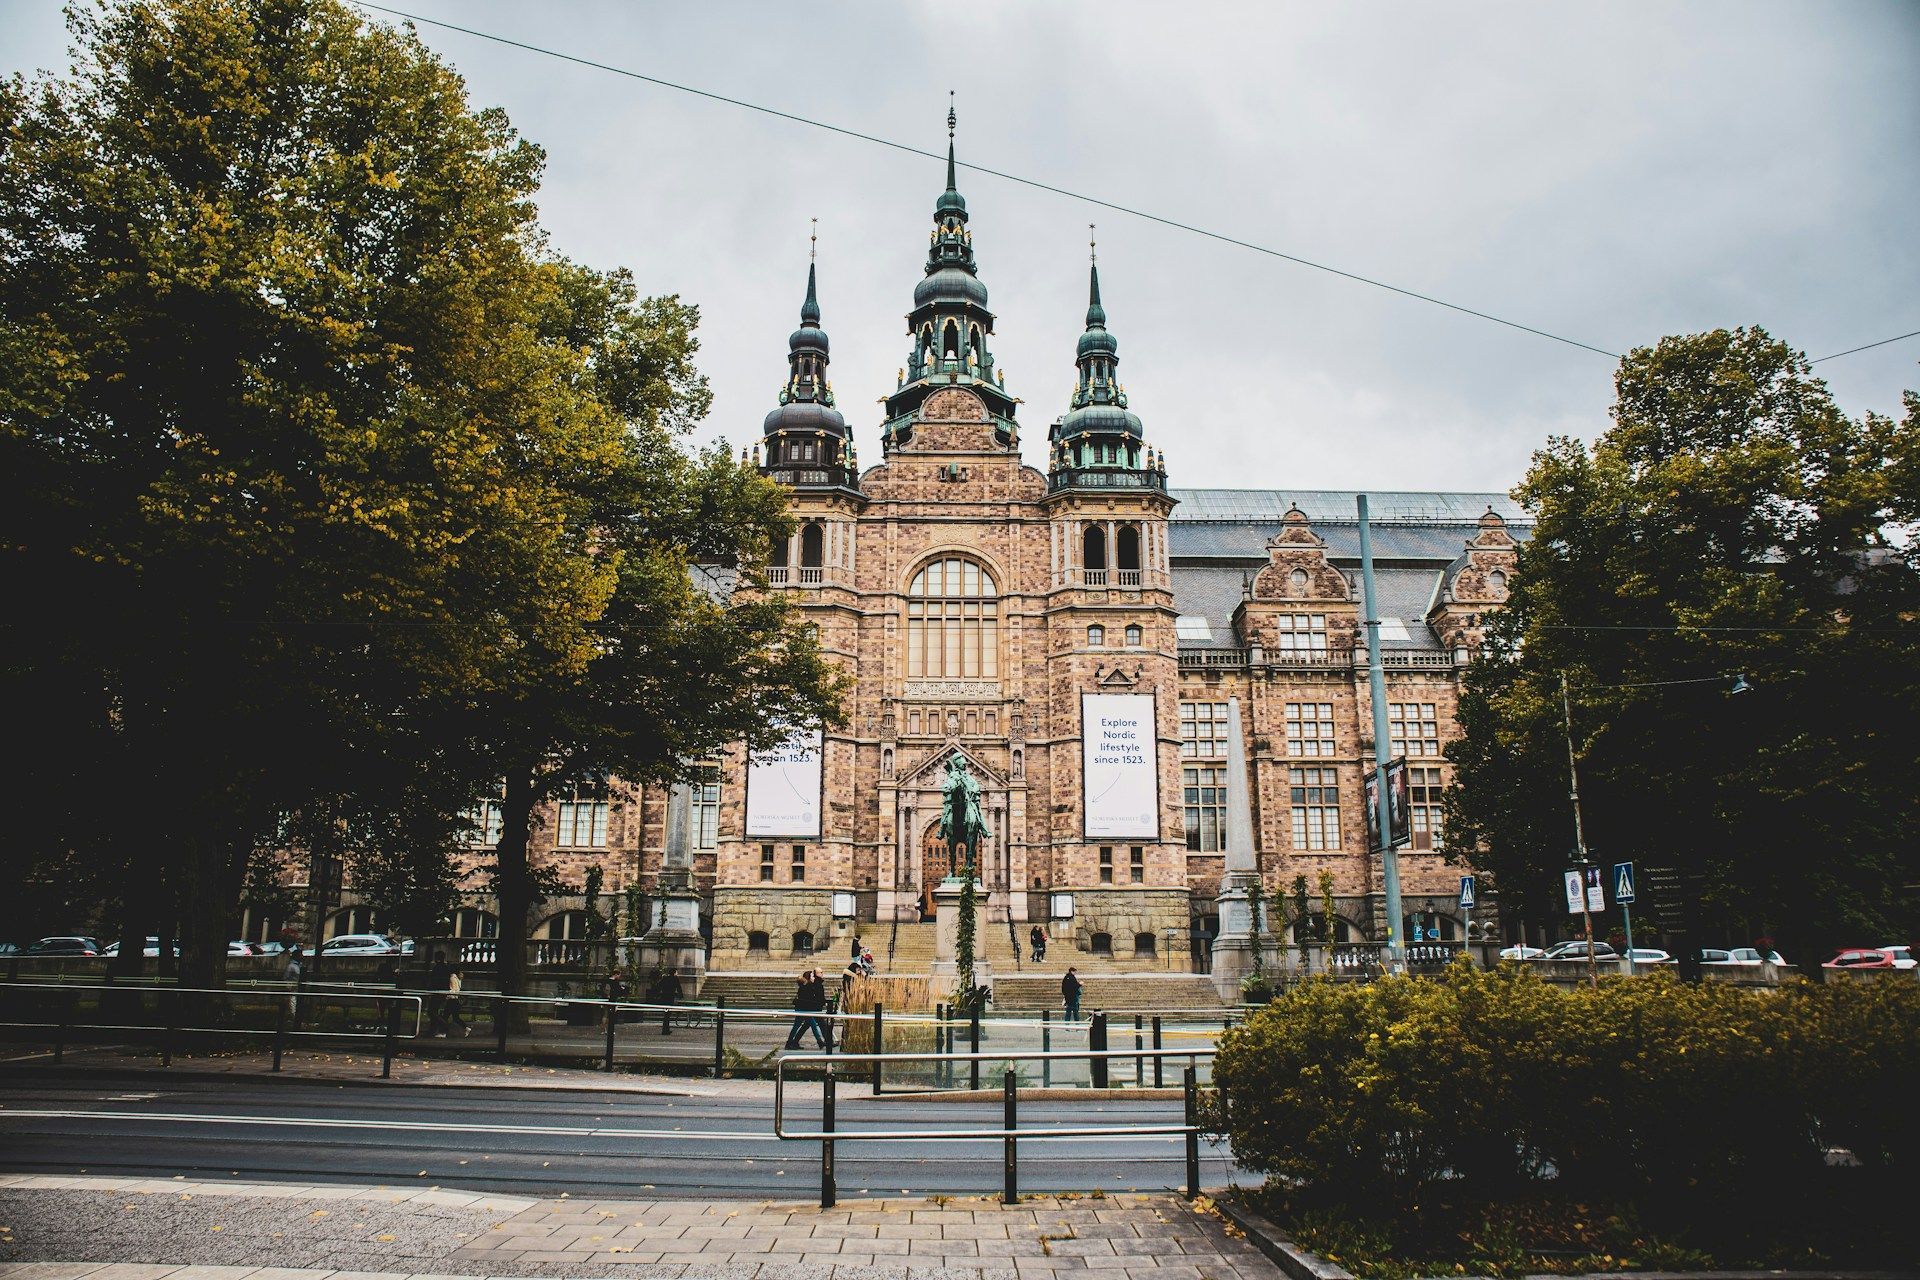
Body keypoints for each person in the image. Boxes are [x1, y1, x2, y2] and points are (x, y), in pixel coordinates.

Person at [784, 970, 827, 1050]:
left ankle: (791, 1043)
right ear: (808, 977)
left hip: (804, 1009)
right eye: (812, 976)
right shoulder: (807, 986)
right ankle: (790, 1043)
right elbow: (808, 998)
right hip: (803, 1009)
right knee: (799, 1026)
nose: (813, 977)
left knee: (806, 1025)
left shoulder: (807, 985)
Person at [427, 950, 453, 1036]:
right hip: (442, 992)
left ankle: (443, 1025)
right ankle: (432, 1030)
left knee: (431, 1012)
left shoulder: (437, 968)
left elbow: (434, 981)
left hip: (437, 992)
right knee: (434, 1011)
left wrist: (431, 990)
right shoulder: (446, 968)